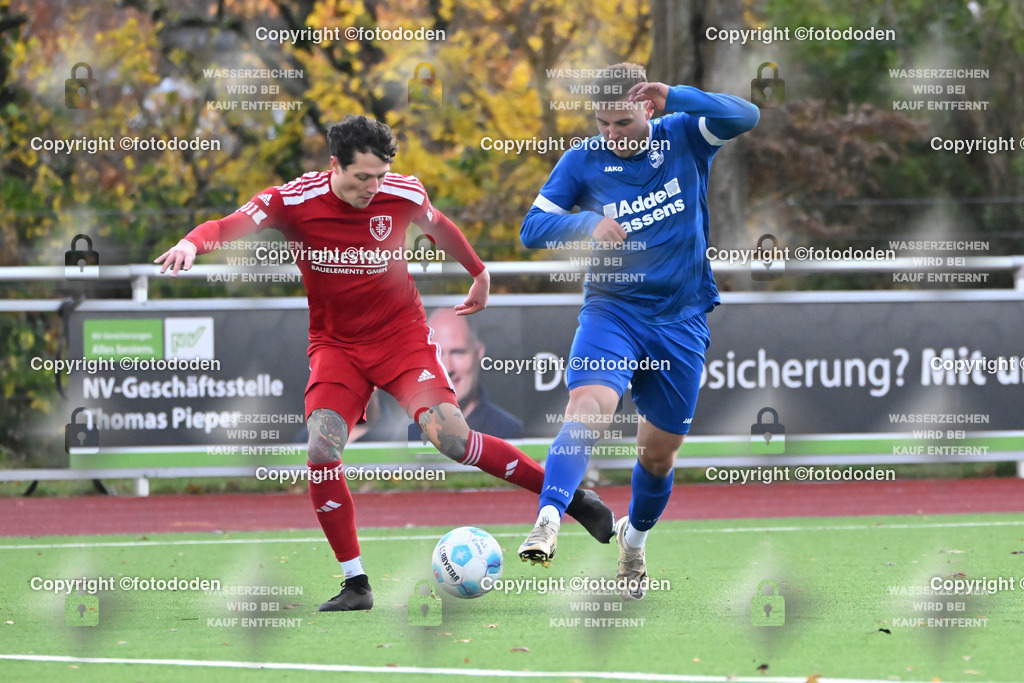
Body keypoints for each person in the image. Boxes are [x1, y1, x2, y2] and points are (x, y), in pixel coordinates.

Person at [154, 115, 613, 612]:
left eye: (380, 175)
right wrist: (191, 243)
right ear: (335, 165)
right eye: (362, 178)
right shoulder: (293, 200)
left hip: (401, 340)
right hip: (337, 348)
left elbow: (439, 225)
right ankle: (357, 584)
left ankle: (570, 499)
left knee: (453, 441)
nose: (374, 187)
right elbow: (227, 225)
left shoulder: (402, 192)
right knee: (322, 452)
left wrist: (478, 273)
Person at [517, 64, 759, 599]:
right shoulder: (583, 161)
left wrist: (678, 93)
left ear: (649, 108)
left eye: (622, 122)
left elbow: (748, 114)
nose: (612, 135)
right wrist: (585, 223)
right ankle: (549, 519)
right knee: (589, 410)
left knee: (658, 455)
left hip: (680, 319)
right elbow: (531, 229)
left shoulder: (684, 136)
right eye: (603, 123)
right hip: (613, 311)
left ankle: (634, 543)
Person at [407, 308, 523, 442]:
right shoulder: (403, 435)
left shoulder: (512, 435)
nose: (447, 368)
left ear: (479, 353)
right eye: (436, 354)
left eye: (458, 352)